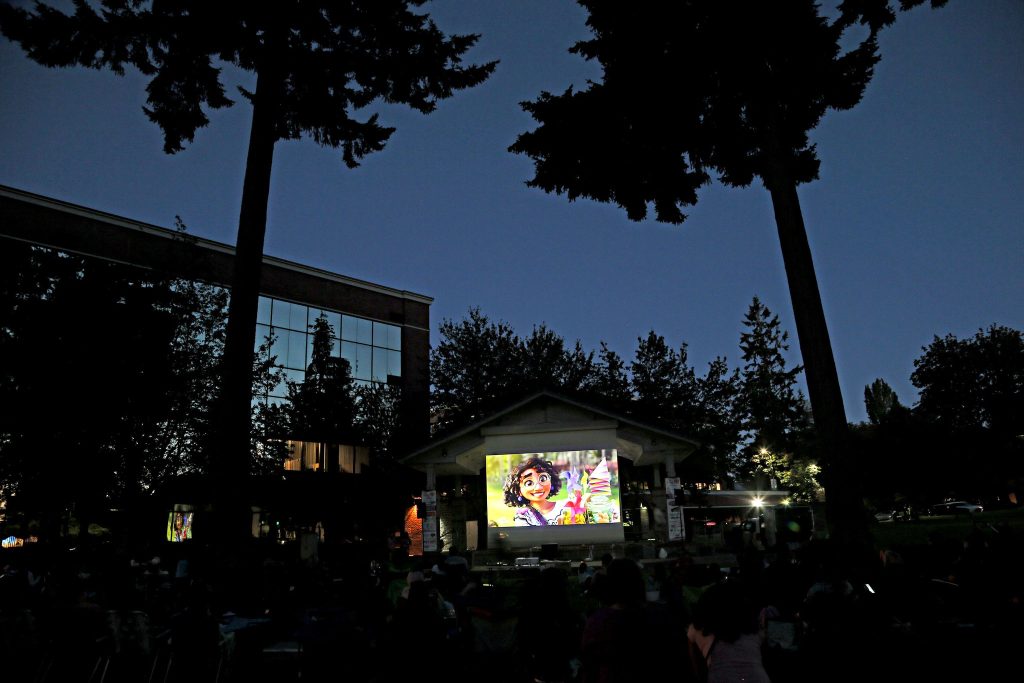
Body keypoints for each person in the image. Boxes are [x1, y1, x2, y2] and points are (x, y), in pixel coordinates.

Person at [502, 456, 568, 526]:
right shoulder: (523, 517)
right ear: (519, 491)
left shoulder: (566, 506)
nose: (538, 487)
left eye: (543, 479)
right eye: (529, 483)